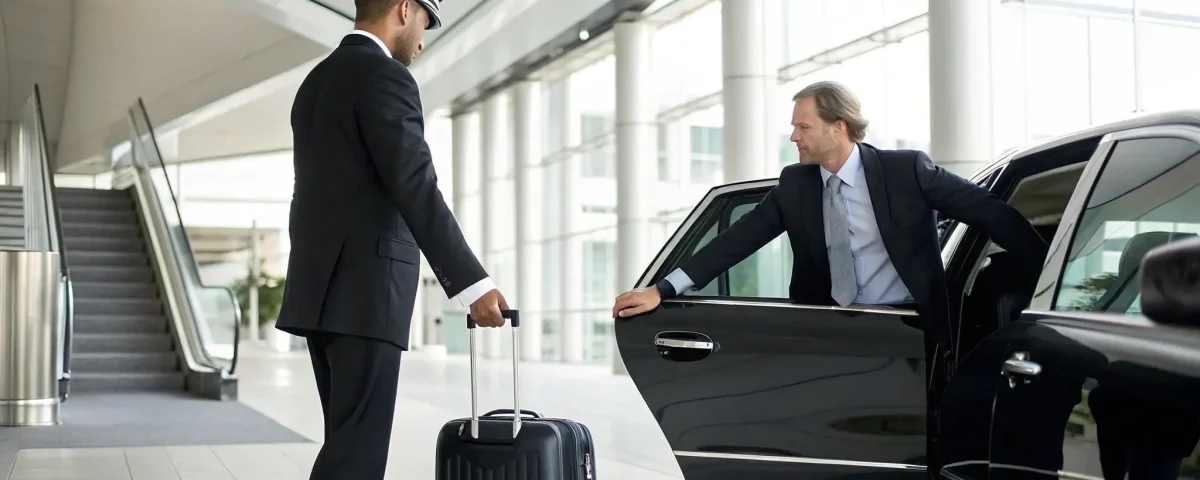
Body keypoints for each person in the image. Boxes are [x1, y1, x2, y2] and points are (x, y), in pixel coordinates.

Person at [611, 80, 1048, 351]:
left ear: (838, 127)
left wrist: (1052, 271)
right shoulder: (795, 184)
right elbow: (736, 241)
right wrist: (664, 289)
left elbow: (989, 213)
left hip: (910, 331)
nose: (793, 137)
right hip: (830, 336)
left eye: (803, 127)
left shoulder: (906, 171)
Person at [276, 0, 509, 478]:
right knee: (356, 455)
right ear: (405, 9)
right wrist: (473, 285)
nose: (423, 39)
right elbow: (415, 185)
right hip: (366, 293)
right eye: (425, 21)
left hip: (320, 294)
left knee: (345, 443)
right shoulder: (385, 77)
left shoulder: (314, 82)